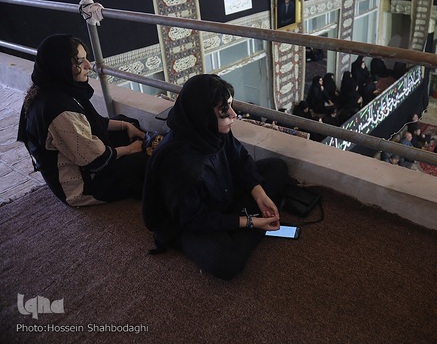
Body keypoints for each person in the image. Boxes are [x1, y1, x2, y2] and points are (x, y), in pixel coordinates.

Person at [142, 74, 289, 280]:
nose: (234, 115)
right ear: (203, 116)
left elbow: (240, 159)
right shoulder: (178, 162)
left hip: (223, 195)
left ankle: (238, 224)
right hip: (192, 221)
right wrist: (251, 222)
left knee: (277, 167)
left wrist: (259, 195)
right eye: (224, 112)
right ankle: (244, 225)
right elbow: (194, 219)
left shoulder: (213, 130)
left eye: (230, 106)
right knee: (226, 263)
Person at [17, 34, 148, 206]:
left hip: (82, 158)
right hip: (81, 185)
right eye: (80, 61)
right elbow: (97, 160)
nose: (89, 65)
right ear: (61, 65)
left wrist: (126, 126)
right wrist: (132, 149)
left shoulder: (53, 87)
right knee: (143, 162)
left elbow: (94, 122)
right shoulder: (58, 110)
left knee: (126, 124)